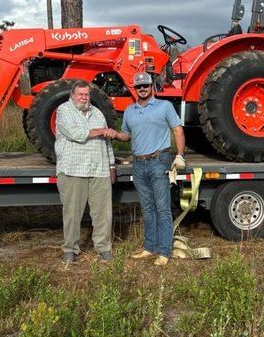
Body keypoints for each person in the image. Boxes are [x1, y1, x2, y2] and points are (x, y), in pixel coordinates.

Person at [111, 72, 185, 266]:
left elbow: (177, 129)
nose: (142, 89)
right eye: (139, 86)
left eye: (145, 85)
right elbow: (126, 135)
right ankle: (149, 248)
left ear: (152, 87)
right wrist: (113, 134)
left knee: (162, 208)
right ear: (134, 89)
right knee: (148, 208)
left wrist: (179, 155)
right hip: (139, 164)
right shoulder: (129, 111)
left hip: (159, 161)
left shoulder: (164, 106)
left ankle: (164, 252)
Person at [55, 80, 117, 264]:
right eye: (80, 94)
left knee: (103, 213)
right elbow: (77, 134)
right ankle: (70, 250)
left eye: (87, 94)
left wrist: (111, 165)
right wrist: (102, 131)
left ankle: (104, 248)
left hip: (99, 169)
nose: (84, 97)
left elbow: (107, 142)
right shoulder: (64, 111)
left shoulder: (97, 113)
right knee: (72, 213)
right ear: (72, 95)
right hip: (73, 169)